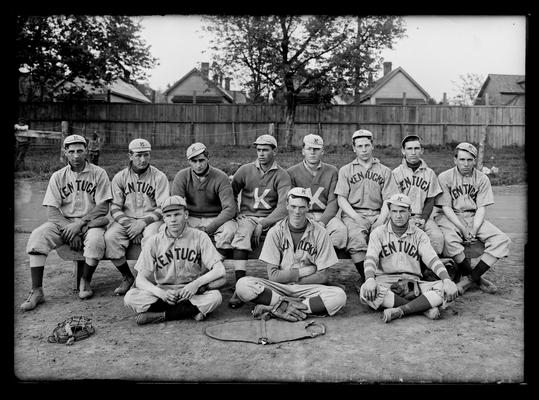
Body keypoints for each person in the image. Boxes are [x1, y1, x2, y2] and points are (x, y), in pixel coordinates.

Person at [20, 134, 112, 311]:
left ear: (87, 151)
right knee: (38, 236)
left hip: (90, 222)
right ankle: (37, 290)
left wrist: (80, 225)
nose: (76, 155)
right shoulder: (57, 176)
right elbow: (52, 211)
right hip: (64, 223)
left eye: (79, 151)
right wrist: (70, 230)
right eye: (71, 151)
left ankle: (85, 281)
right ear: (65, 153)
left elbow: (103, 207)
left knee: (94, 241)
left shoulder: (99, 173)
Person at [234, 187, 347, 318]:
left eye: (301, 207)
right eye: (293, 206)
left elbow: (323, 276)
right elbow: (273, 276)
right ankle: (297, 307)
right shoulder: (275, 232)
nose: (297, 211)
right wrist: (303, 272)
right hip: (279, 287)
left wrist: (294, 281)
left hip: (307, 287)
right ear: (287, 206)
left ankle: (278, 308)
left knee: (339, 297)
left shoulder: (320, 232)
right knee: (242, 286)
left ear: (308, 207)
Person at [123, 195, 226, 325]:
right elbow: (140, 280)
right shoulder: (153, 241)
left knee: (215, 298)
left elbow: (220, 270)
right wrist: (160, 293)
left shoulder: (200, 237)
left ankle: (160, 315)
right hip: (163, 292)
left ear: (186, 215)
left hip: (190, 292)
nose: (173, 220)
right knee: (130, 298)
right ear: (164, 218)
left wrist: (196, 284)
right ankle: (189, 311)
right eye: (168, 216)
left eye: (177, 214)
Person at [359, 193, 459, 323]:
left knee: (445, 288)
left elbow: (432, 259)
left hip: (415, 285)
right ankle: (422, 308)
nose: (398, 215)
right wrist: (370, 279)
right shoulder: (378, 233)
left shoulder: (420, 234)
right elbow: (371, 258)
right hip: (386, 283)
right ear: (389, 212)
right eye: (394, 211)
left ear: (410, 212)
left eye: (402, 211)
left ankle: (401, 310)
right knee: (365, 292)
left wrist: (446, 280)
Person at [435, 142, 511, 294]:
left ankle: (468, 280)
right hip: (450, 216)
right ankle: (478, 279)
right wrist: (463, 228)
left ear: (475, 160)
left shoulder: (482, 179)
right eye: (462, 159)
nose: (466, 163)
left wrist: (474, 229)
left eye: (470, 160)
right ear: (455, 160)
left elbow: (482, 207)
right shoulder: (445, 177)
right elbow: (446, 207)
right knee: (450, 240)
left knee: (502, 240)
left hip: (473, 216)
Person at [228, 134, 292, 308]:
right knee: (241, 235)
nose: (261, 154)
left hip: (271, 218)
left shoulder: (282, 175)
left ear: (275, 151)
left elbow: (284, 206)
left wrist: (264, 223)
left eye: (265, 150)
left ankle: (283, 285)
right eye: (258, 150)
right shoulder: (245, 170)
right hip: (248, 217)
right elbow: (230, 194)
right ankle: (239, 287)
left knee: (282, 237)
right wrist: (235, 212)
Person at [334, 129, 399, 291]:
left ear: (372, 147)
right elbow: (341, 198)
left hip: (379, 213)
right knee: (356, 238)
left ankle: (390, 277)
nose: (363, 149)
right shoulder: (346, 170)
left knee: (389, 237)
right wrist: (356, 217)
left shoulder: (384, 171)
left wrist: (380, 220)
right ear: (353, 148)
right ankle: (366, 280)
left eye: (367, 145)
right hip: (354, 214)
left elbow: (389, 200)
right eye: (360, 146)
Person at [104, 138, 170, 296]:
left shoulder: (159, 177)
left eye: (146, 155)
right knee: (110, 237)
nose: (143, 159)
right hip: (126, 219)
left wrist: (142, 224)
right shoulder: (120, 177)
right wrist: (130, 225)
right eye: (138, 155)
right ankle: (127, 276)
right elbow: (114, 207)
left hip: (151, 219)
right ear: (130, 155)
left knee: (152, 238)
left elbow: (163, 207)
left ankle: (145, 278)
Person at [170, 142, 237, 257]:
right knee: (169, 227)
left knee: (230, 229)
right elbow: (175, 204)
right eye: (194, 161)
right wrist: (185, 223)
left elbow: (230, 209)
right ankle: (185, 261)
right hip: (191, 216)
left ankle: (217, 261)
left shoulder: (221, 177)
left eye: (201, 160)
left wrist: (209, 228)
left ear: (207, 159)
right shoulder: (182, 176)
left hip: (216, 216)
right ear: (188, 161)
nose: (198, 165)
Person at [286, 134, 347, 249]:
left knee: (340, 232)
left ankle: (323, 261)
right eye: (309, 149)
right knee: (299, 234)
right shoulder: (291, 172)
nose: (312, 152)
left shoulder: (332, 171)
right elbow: (292, 202)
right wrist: (308, 218)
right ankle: (308, 259)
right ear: (303, 151)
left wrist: (322, 222)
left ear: (322, 151)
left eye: (317, 149)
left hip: (326, 215)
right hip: (302, 214)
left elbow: (333, 202)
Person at [392, 135, 444, 255]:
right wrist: (406, 219)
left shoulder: (429, 173)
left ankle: (424, 269)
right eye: (409, 149)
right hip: (401, 216)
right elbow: (395, 203)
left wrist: (423, 219)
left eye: (416, 148)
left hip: (424, 216)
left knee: (437, 238)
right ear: (403, 151)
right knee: (405, 241)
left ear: (422, 150)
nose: (413, 152)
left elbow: (430, 200)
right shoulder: (396, 173)